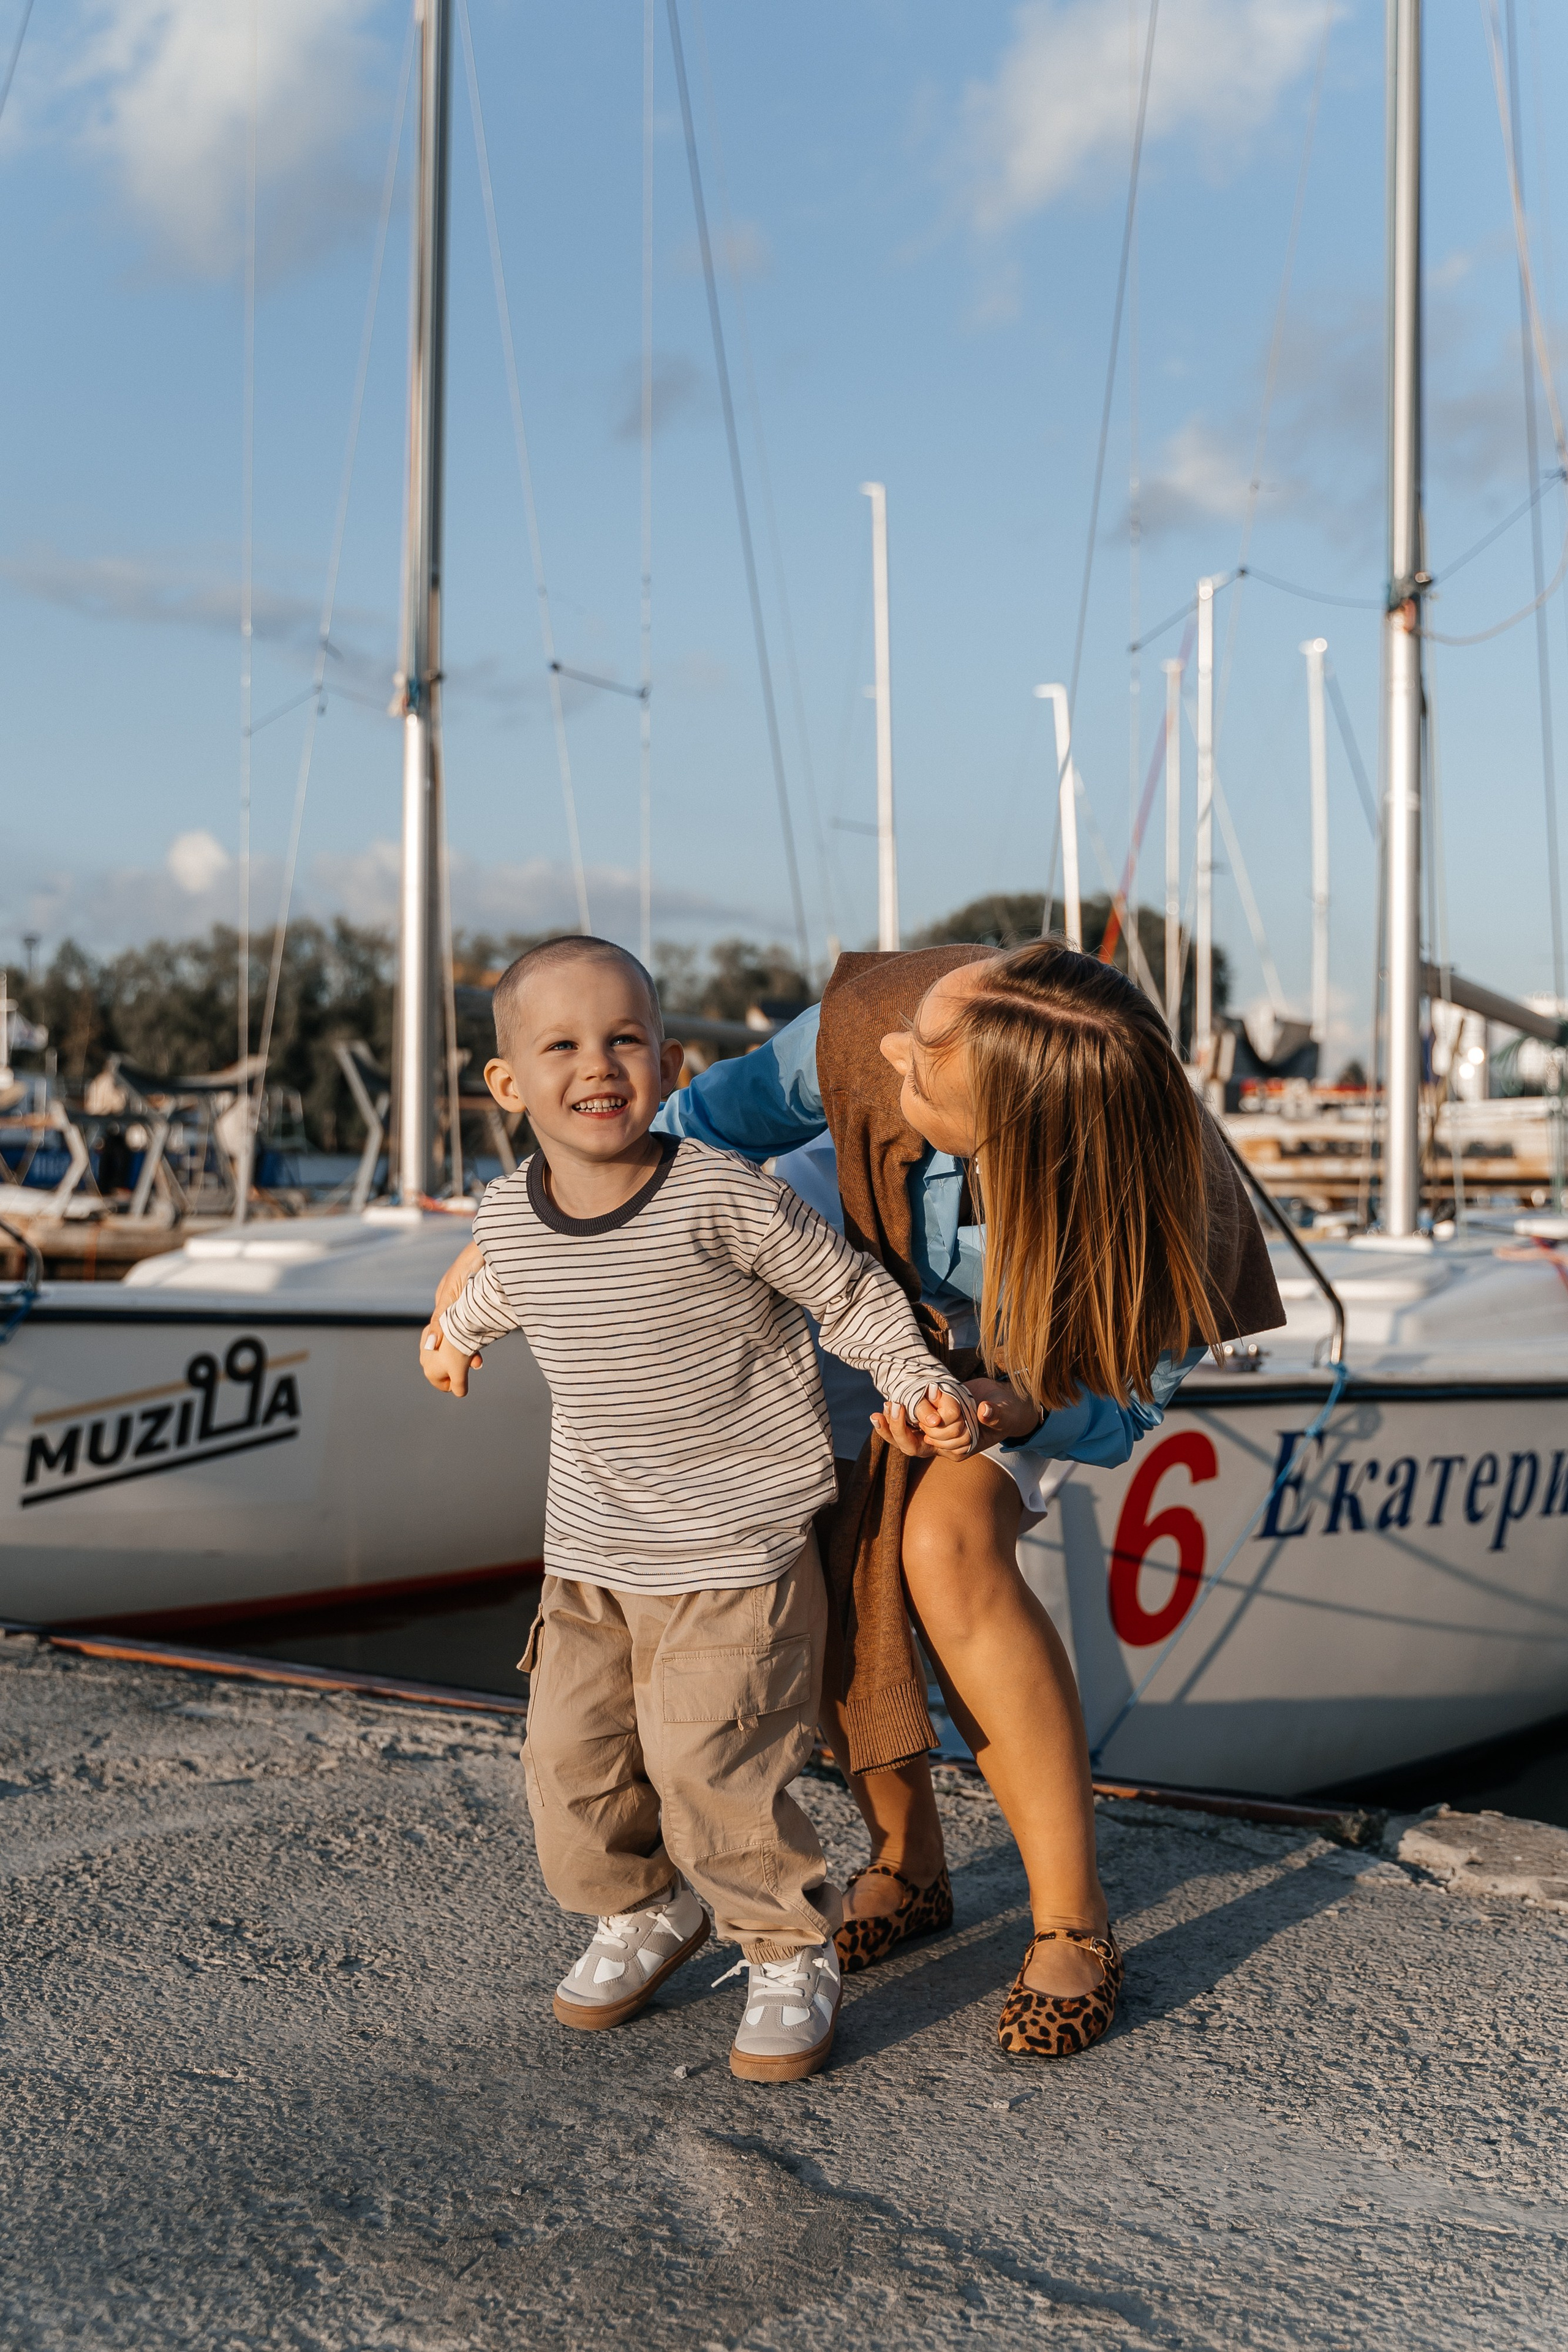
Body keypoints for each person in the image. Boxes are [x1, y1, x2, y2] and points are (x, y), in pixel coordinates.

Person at [431, 939, 1283, 2061]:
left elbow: (1125, 1395)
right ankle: (909, 1861)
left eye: (923, 1069)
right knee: (817, 1524)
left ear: (1019, 1130)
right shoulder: (872, 1025)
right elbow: (679, 1131)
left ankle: (1074, 1922)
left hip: (1036, 1356)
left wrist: (1010, 1407)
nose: (890, 1054)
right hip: (852, 1284)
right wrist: (519, 1251)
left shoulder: (1164, 1202)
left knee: (945, 1544)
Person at [420, 934, 980, 2083]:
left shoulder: (718, 1196)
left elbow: (849, 1292)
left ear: (671, 1062)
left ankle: (783, 1945)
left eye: (625, 1039)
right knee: (569, 1766)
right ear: (508, 1083)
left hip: (735, 1546)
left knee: (714, 1766)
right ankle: (642, 1909)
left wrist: (919, 1378)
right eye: (563, 1044)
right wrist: (453, 1335)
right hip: (591, 1548)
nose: (599, 1065)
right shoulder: (513, 1212)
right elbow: (509, 1284)